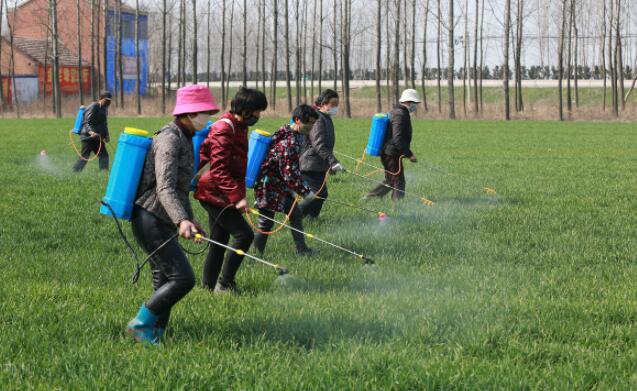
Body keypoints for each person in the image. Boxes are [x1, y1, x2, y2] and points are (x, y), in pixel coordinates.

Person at [126, 84, 219, 345]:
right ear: (189, 114)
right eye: (204, 112)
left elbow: (180, 189)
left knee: (164, 279)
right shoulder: (169, 138)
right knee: (183, 278)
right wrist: (181, 219)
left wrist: (190, 219)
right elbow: (165, 186)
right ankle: (140, 324)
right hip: (150, 217)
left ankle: (155, 333)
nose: (207, 117)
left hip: (162, 217)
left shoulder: (185, 137)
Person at [194, 88, 268, 294]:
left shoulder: (240, 126)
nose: (258, 116)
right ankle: (225, 283)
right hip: (213, 193)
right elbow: (219, 171)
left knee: (219, 241)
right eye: (256, 111)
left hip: (222, 192)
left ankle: (208, 287)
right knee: (244, 236)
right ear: (245, 109)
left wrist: (239, 195)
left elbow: (236, 169)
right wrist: (237, 198)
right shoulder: (224, 129)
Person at [253, 104, 319, 256]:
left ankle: (302, 250)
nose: (311, 126)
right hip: (268, 185)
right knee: (266, 221)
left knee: (295, 213)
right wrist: (306, 192)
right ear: (297, 120)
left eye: (313, 123)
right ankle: (255, 255)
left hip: (281, 185)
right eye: (309, 123)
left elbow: (289, 172)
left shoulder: (296, 134)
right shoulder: (288, 142)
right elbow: (289, 173)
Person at [365, 89, 419, 201]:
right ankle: (398, 208)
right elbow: (397, 138)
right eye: (415, 103)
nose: (416, 106)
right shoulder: (400, 115)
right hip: (391, 154)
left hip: (390, 153)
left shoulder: (399, 112)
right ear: (409, 102)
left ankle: (369, 197)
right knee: (398, 182)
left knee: (391, 180)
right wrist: (409, 154)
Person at [299, 89, 344, 218]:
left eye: (337, 104)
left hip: (318, 163)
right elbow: (319, 144)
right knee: (319, 193)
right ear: (323, 103)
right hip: (310, 163)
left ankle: (311, 217)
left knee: (319, 193)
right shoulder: (318, 119)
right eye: (333, 104)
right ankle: (297, 215)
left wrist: (329, 165)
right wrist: (333, 162)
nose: (335, 107)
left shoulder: (326, 118)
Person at [73, 91, 112, 172]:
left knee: (104, 155)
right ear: (101, 99)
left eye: (110, 101)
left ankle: (104, 174)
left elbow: (104, 124)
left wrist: (106, 135)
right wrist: (91, 132)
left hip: (98, 137)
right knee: (85, 157)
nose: (108, 103)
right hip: (88, 136)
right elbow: (87, 122)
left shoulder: (104, 109)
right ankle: (75, 172)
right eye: (106, 100)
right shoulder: (93, 106)